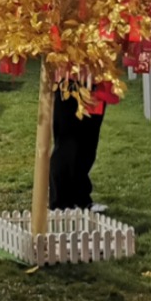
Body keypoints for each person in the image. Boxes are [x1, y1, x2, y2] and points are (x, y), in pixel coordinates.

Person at [49, 82, 107, 213]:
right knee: (66, 144)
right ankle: (60, 203)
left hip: (97, 83)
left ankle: (81, 199)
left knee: (88, 146)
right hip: (69, 83)